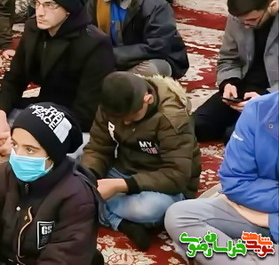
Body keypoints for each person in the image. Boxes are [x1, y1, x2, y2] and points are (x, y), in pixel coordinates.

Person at [0, 0, 115, 154]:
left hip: (73, 122)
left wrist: (32, 129)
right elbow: (15, 78)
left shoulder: (95, 43)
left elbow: (86, 113)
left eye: (50, 5)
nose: (40, 12)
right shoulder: (33, 29)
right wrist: (0, 116)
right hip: (42, 108)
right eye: (37, 3)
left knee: (77, 153)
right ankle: (23, 143)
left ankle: (21, 144)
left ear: (68, 9)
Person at [0, 103, 101, 265]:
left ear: (53, 154)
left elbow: (64, 258)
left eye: (30, 150)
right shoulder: (3, 176)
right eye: (15, 145)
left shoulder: (77, 196)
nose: (18, 156)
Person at [81, 72, 201, 251]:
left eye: (131, 116)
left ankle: (99, 211)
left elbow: (177, 175)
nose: (126, 123)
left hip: (162, 186)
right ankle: (118, 219)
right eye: (120, 118)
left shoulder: (171, 117)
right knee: (70, 158)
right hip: (122, 169)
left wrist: (120, 185)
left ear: (148, 99)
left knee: (148, 210)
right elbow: (98, 147)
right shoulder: (111, 106)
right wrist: (90, 177)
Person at [165, 92, 278, 265]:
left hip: (261, 212)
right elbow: (236, 181)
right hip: (257, 207)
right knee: (181, 216)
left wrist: (271, 221)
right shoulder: (259, 109)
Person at [193, 0, 278, 143]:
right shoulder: (238, 17)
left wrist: (266, 99)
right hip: (243, 88)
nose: (246, 25)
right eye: (241, 21)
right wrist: (229, 82)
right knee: (197, 126)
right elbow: (228, 58)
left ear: (272, 6)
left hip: (274, 95)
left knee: (235, 138)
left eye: (253, 20)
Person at [86, 0, 189, 78]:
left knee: (149, 70)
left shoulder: (153, 3)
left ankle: (116, 79)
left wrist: (113, 54)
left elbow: (157, 46)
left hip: (151, 58)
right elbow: (87, 28)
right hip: (112, 56)